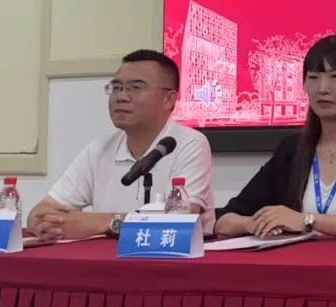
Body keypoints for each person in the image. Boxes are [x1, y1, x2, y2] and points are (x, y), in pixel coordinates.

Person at [213, 34, 336, 238]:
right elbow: (224, 219)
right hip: (296, 258)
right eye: (313, 78)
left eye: (335, 77)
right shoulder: (291, 149)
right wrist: (253, 224)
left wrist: (307, 220)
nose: (322, 89)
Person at [27, 49, 216, 239]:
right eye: (116, 88)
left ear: (168, 99)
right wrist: (45, 223)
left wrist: (104, 223)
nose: (121, 97)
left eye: (136, 87)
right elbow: (40, 212)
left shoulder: (190, 143)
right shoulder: (99, 150)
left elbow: (178, 221)